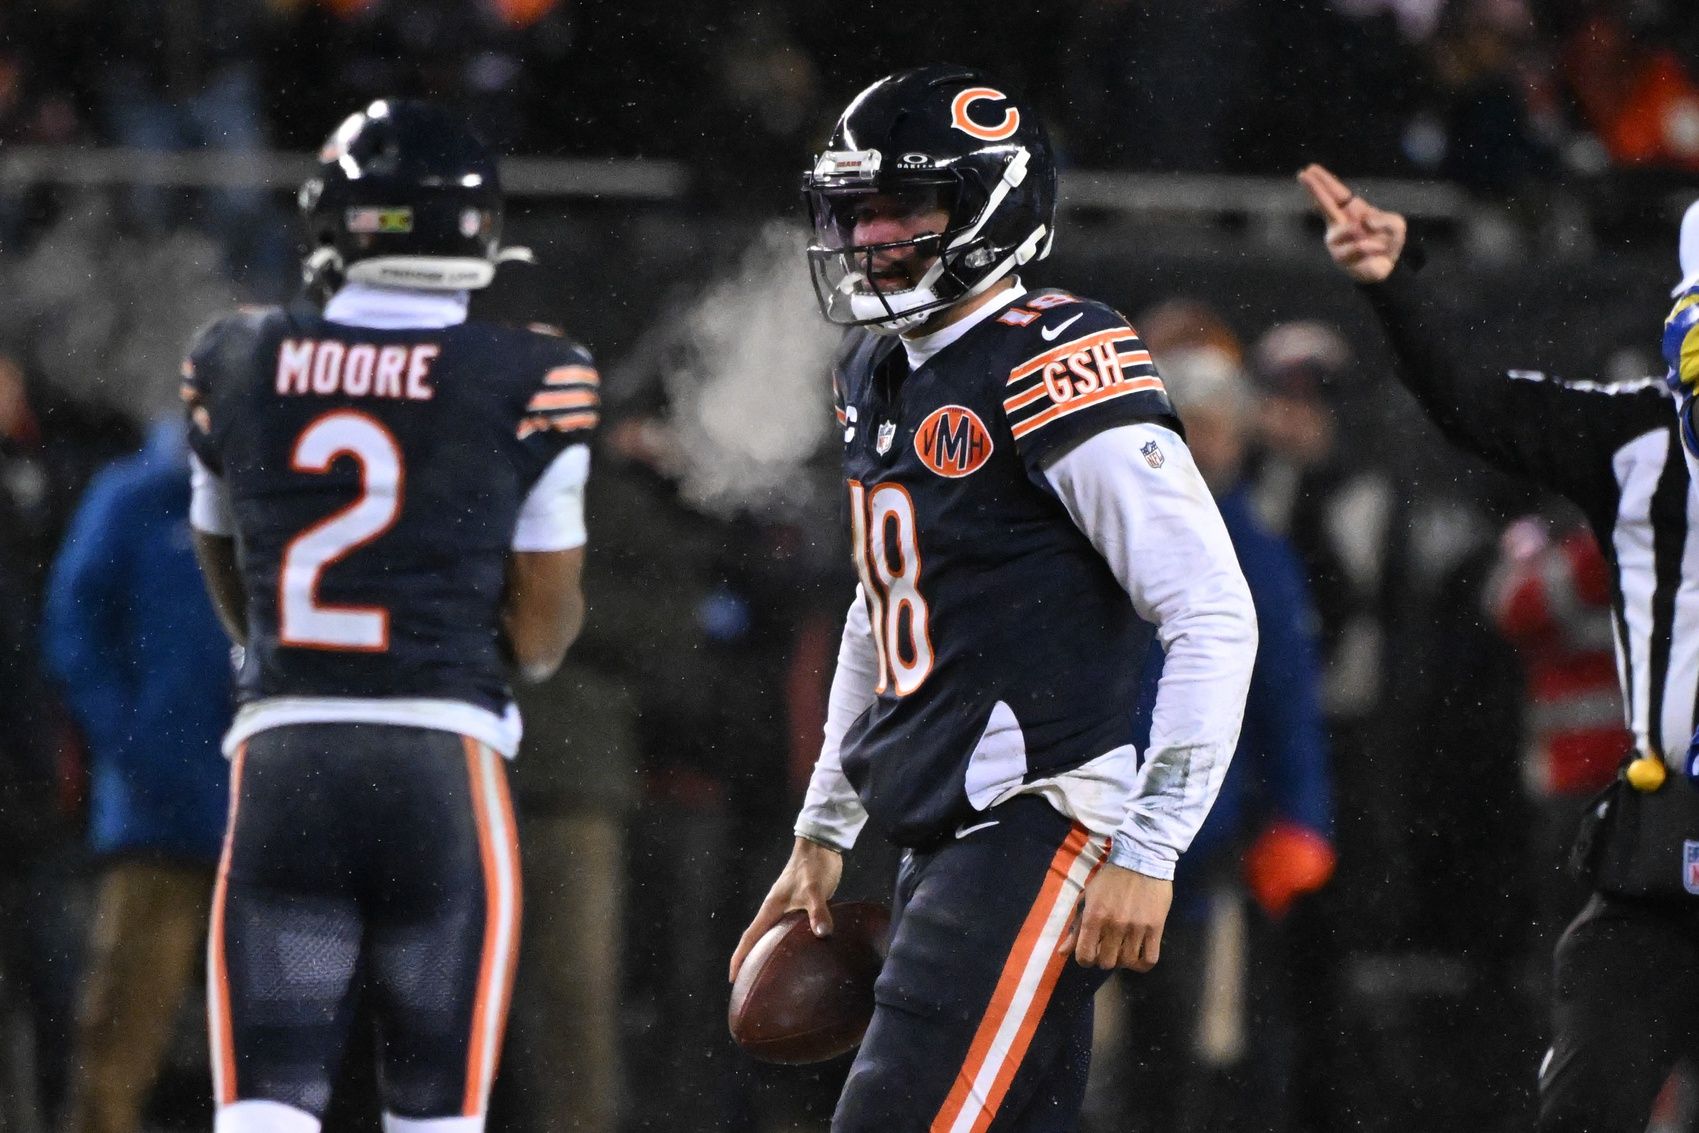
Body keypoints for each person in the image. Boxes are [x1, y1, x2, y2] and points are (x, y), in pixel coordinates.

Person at [730, 67, 1259, 1131]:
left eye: (904, 207)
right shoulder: (878, 366)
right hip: (942, 837)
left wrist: (1150, 849)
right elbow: (882, 605)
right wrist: (823, 826)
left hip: (1039, 822)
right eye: (857, 209)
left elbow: (1211, 610)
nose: (871, 235)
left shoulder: (1051, 355)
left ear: (991, 206)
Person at [184, 100, 595, 1133]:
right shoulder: (535, 374)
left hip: (283, 759)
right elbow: (543, 636)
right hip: (438, 764)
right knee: (436, 1117)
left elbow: (230, 570)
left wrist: (291, 648)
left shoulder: (234, 355)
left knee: (263, 1113)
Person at [1298, 162, 1699, 1133]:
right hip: (1658, 864)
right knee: (1585, 1101)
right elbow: (1471, 399)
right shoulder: (1637, 442)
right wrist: (1398, 285)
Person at [1090, 346, 1333, 1133]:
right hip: (1085, 831)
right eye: (1190, 425)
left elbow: (1287, 697)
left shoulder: (1254, 553)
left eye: (1218, 427)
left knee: (1191, 1052)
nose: (1206, 443)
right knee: (1086, 1058)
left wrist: (1301, 814)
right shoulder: (1102, 531)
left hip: (1197, 851)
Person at [41, 416, 235, 1133]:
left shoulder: (289, 495)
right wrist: (135, 746)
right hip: (159, 819)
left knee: (271, 1060)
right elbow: (74, 632)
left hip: (264, 818)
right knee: (117, 1050)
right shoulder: (135, 496)